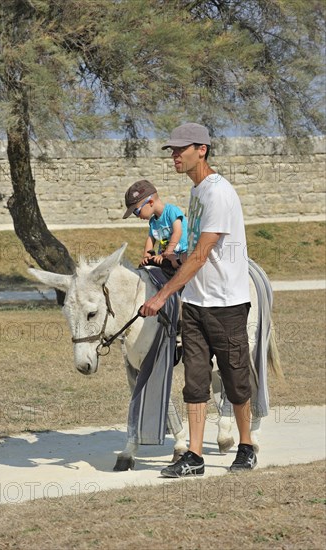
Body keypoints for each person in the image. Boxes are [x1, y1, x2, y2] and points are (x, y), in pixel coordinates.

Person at [140, 122, 256, 477]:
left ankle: (247, 445)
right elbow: (195, 248)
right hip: (195, 303)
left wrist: (161, 296)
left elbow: (202, 255)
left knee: (235, 380)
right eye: (172, 151)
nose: (175, 156)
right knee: (195, 381)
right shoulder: (196, 193)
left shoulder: (218, 193)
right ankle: (194, 455)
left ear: (201, 150)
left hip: (226, 304)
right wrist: (173, 256)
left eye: (181, 150)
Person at [123, 179, 188, 278]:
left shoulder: (171, 211)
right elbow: (150, 238)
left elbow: (177, 232)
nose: (137, 216)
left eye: (136, 211)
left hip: (183, 254)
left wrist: (168, 252)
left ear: (150, 202)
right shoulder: (153, 222)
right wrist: (146, 256)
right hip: (165, 257)